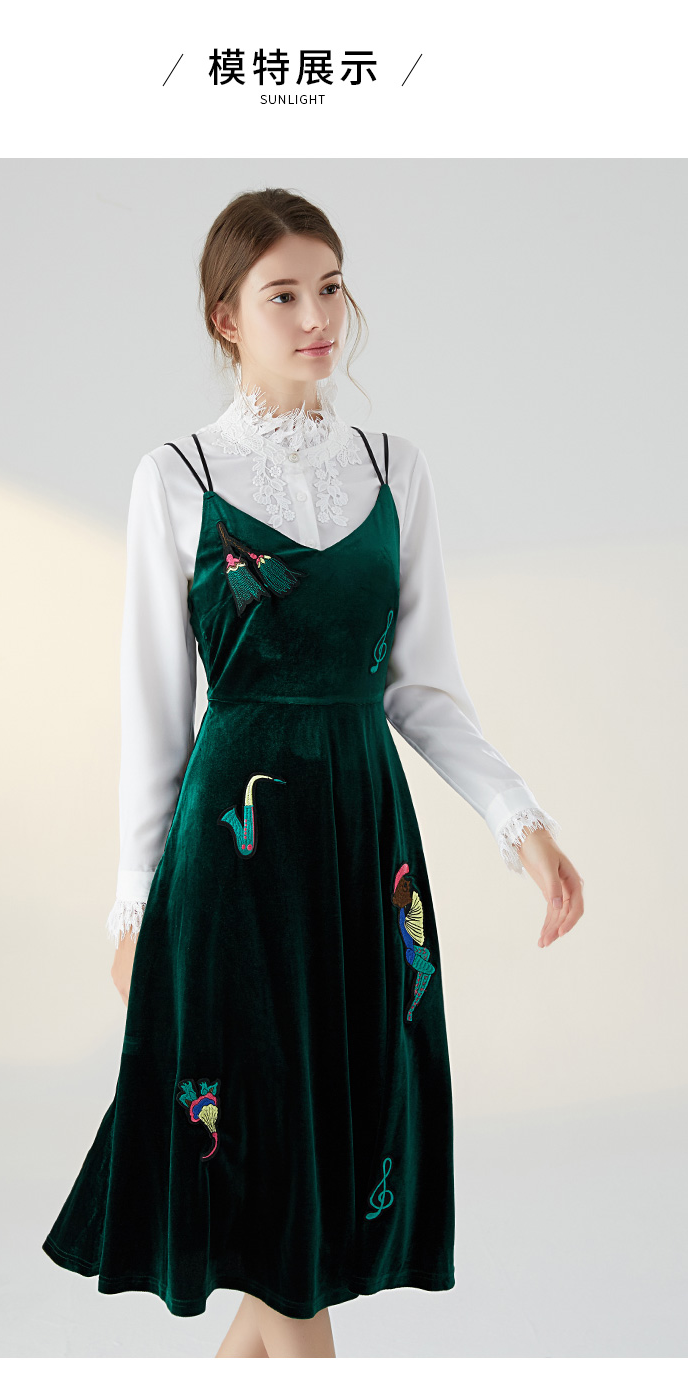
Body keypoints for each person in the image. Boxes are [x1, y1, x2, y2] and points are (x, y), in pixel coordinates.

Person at [42, 187, 584, 1359]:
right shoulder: (175, 475)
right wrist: (133, 908)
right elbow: (155, 717)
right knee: (275, 1185)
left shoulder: (393, 469)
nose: (315, 315)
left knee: (315, 1184)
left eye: (329, 286)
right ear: (226, 317)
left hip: (360, 853)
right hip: (231, 866)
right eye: (282, 294)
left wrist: (520, 822)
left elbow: (420, 689)